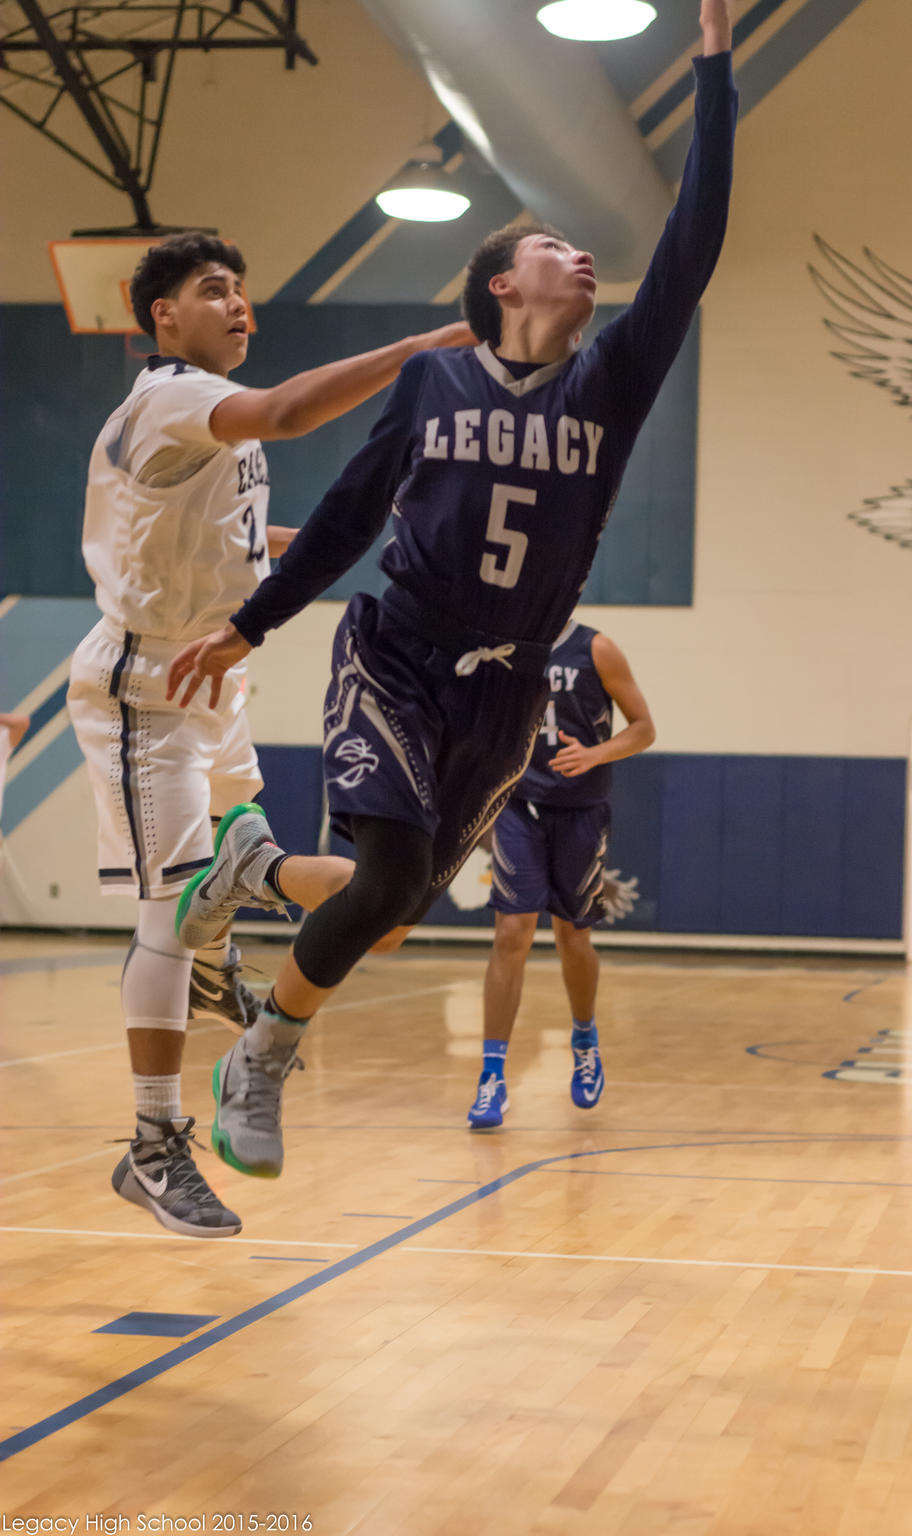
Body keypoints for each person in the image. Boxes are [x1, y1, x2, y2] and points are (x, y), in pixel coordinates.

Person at [168, 0, 736, 1183]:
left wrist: (715, 63)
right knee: (384, 877)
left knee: (400, 908)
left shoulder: (608, 385)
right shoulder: (432, 387)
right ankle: (262, 1058)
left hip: (508, 689)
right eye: (552, 247)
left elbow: (691, 246)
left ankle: (247, 881)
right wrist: (250, 624)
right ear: (502, 286)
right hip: (397, 655)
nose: (580, 255)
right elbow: (346, 516)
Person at [66, 230, 472, 1238]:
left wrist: (338, 542)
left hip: (212, 680)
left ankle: (224, 921)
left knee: (264, 866)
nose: (240, 304)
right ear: (161, 314)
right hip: (147, 689)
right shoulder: (172, 397)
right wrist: (419, 349)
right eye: (215, 290)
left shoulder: (213, 425)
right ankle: (151, 1145)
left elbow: (229, 540)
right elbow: (291, 412)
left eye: (244, 290)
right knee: (164, 917)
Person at [468, 620, 654, 1128]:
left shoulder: (597, 649)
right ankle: (491, 1077)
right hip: (517, 806)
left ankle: (585, 1038)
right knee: (512, 932)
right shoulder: (503, 645)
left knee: (573, 935)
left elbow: (643, 728)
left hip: (580, 810)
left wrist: (595, 754)